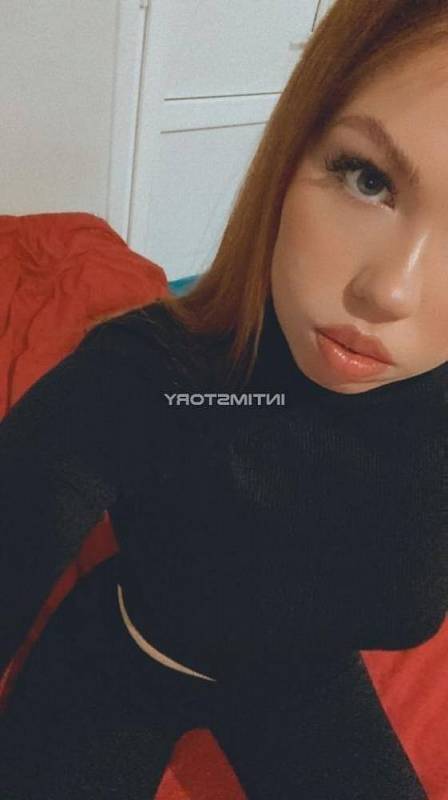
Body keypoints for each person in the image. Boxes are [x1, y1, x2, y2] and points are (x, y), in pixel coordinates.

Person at [2, 0, 447, 797]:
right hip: (128, 655)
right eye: (368, 177)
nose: (389, 290)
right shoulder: (152, 375)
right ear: (293, 151)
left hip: (300, 682)